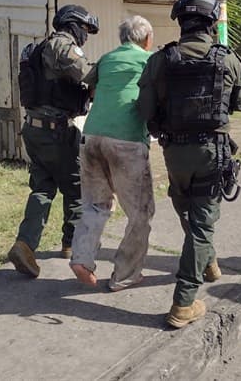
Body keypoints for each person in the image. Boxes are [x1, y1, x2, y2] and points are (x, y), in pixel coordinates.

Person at [137, 0, 241, 328]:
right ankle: (183, 303)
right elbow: (240, 104)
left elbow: (144, 110)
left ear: (180, 21)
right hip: (211, 152)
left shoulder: (160, 59)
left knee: (188, 208)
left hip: (174, 153)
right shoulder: (228, 58)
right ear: (212, 21)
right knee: (201, 224)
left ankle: (208, 262)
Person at [8, 4, 99, 279]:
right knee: (76, 187)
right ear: (73, 25)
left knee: (43, 187)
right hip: (56, 130)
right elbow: (89, 74)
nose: (85, 35)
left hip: (35, 128)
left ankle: (25, 244)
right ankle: (70, 245)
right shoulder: (62, 45)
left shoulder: (38, 49)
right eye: (84, 29)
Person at [70, 15, 155, 291]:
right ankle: (126, 274)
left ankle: (82, 258)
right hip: (127, 140)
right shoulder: (149, 60)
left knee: (95, 204)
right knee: (140, 213)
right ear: (147, 39)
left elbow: (91, 87)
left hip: (92, 136)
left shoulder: (106, 59)